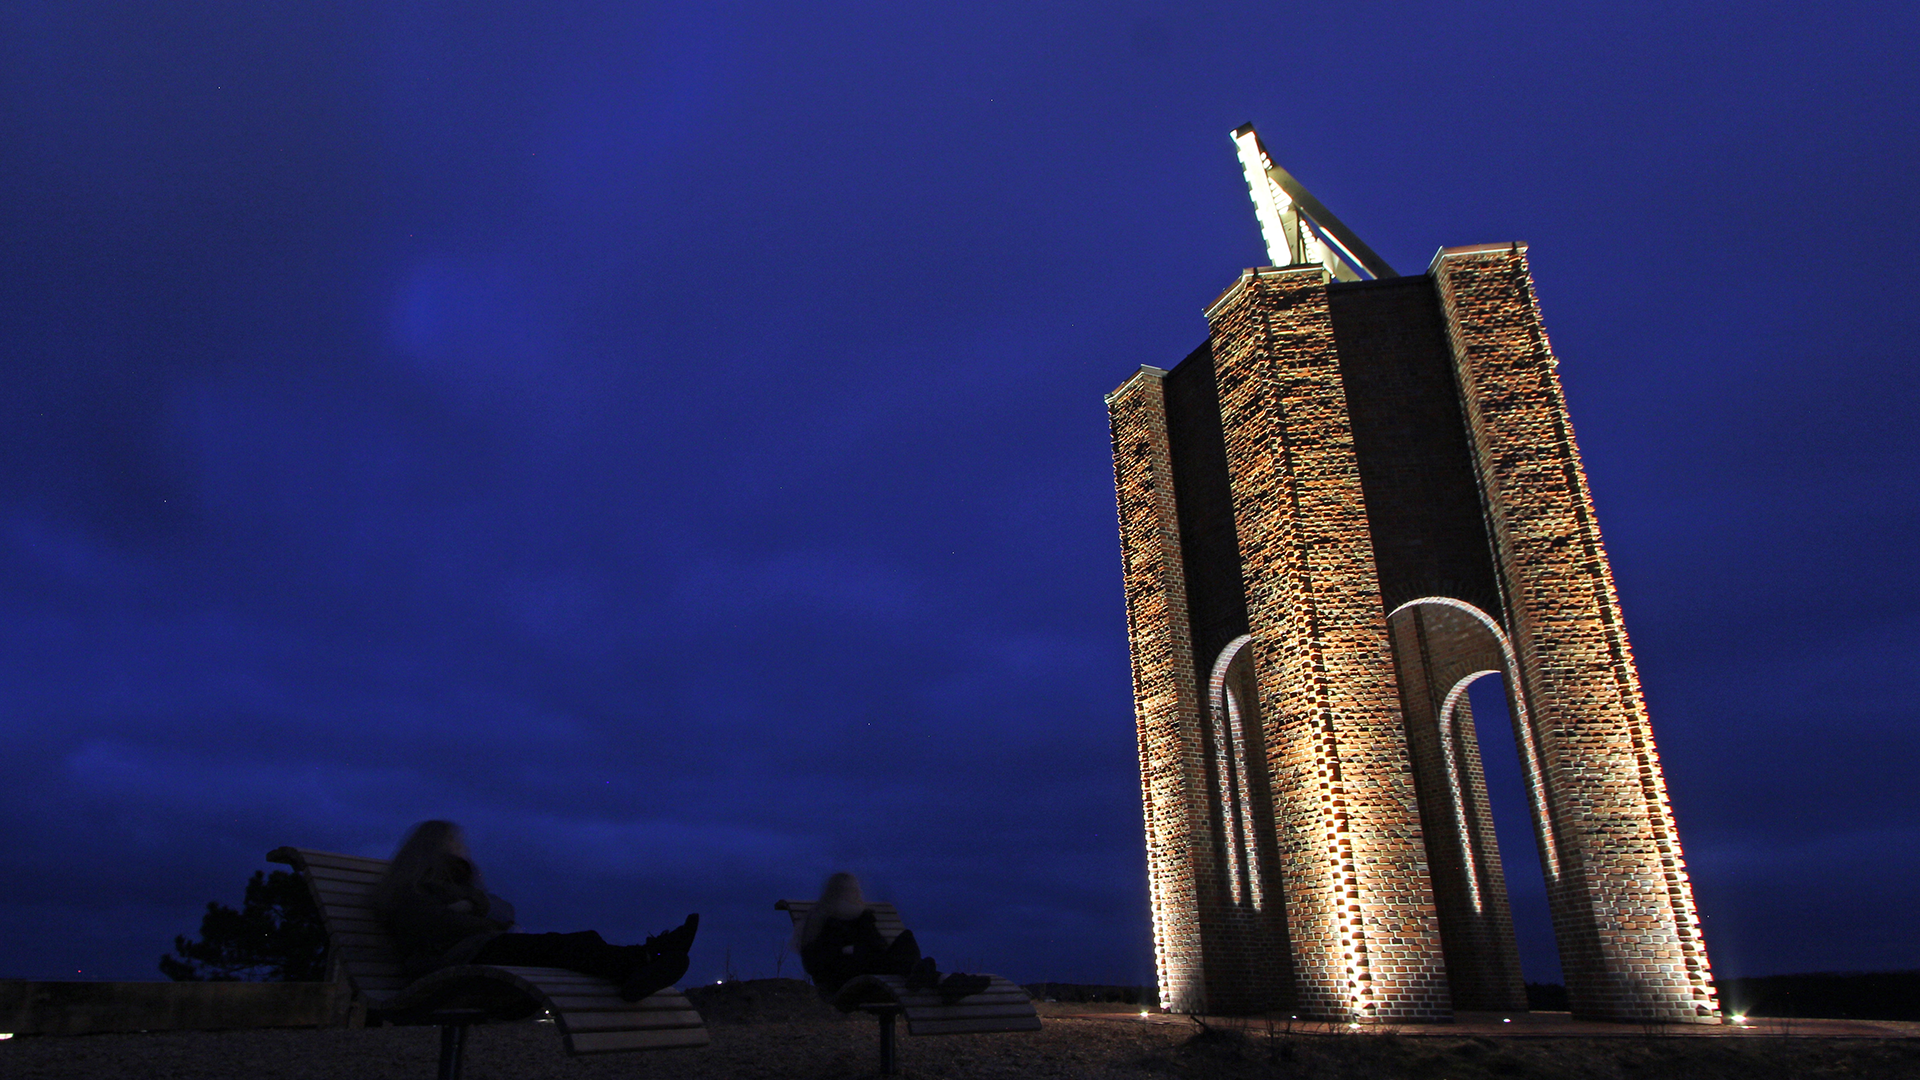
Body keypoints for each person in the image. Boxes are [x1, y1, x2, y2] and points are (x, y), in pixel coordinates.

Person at [372, 820, 696, 1002]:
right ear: (433, 848)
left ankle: (644, 959)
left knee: (579, 940)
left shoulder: (462, 890)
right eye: (455, 842)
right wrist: (487, 924)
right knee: (561, 945)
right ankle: (645, 958)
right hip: (451, 964)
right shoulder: (413, 892)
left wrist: (473, 906)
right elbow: (440, 924)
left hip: (477, 951)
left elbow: (504, 910)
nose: (463, 847)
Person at [794, 871, 990, 1003]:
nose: (858, 892)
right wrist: (846, 951)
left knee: (906, 938)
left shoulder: (862, 916)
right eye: (852, 889)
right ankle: (945, 980)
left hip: (873, 964)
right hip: (845, 977)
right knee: (899, 961)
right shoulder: (821, 918)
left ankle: (940, 979)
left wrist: (861, 943)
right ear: (838, 892)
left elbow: (877, 945)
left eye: (857, 889)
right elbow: (814, 961)